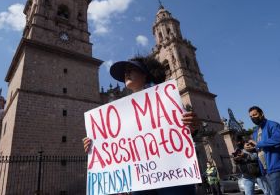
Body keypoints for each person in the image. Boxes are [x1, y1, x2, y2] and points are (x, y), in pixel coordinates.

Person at [83, 55, 200, 195]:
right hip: (140, 180)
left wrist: (192, 126)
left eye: (131, 69)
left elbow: (182, 131)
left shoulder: (166, 98)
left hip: (173, 174)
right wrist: (95, 146)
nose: (126, 73)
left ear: (145, 74)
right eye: (125, 70)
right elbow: (119, 147)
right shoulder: (120, 111)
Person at [247, 106, 280, 195]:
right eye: (251, 116)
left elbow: (278, 140)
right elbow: (260, 148)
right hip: (267, 170)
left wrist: (257, 144)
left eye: (255, 115)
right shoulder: (255, 132)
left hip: (279, 167)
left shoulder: (273, 125)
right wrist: (252, 148)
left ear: (261, 114)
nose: (253, 117)